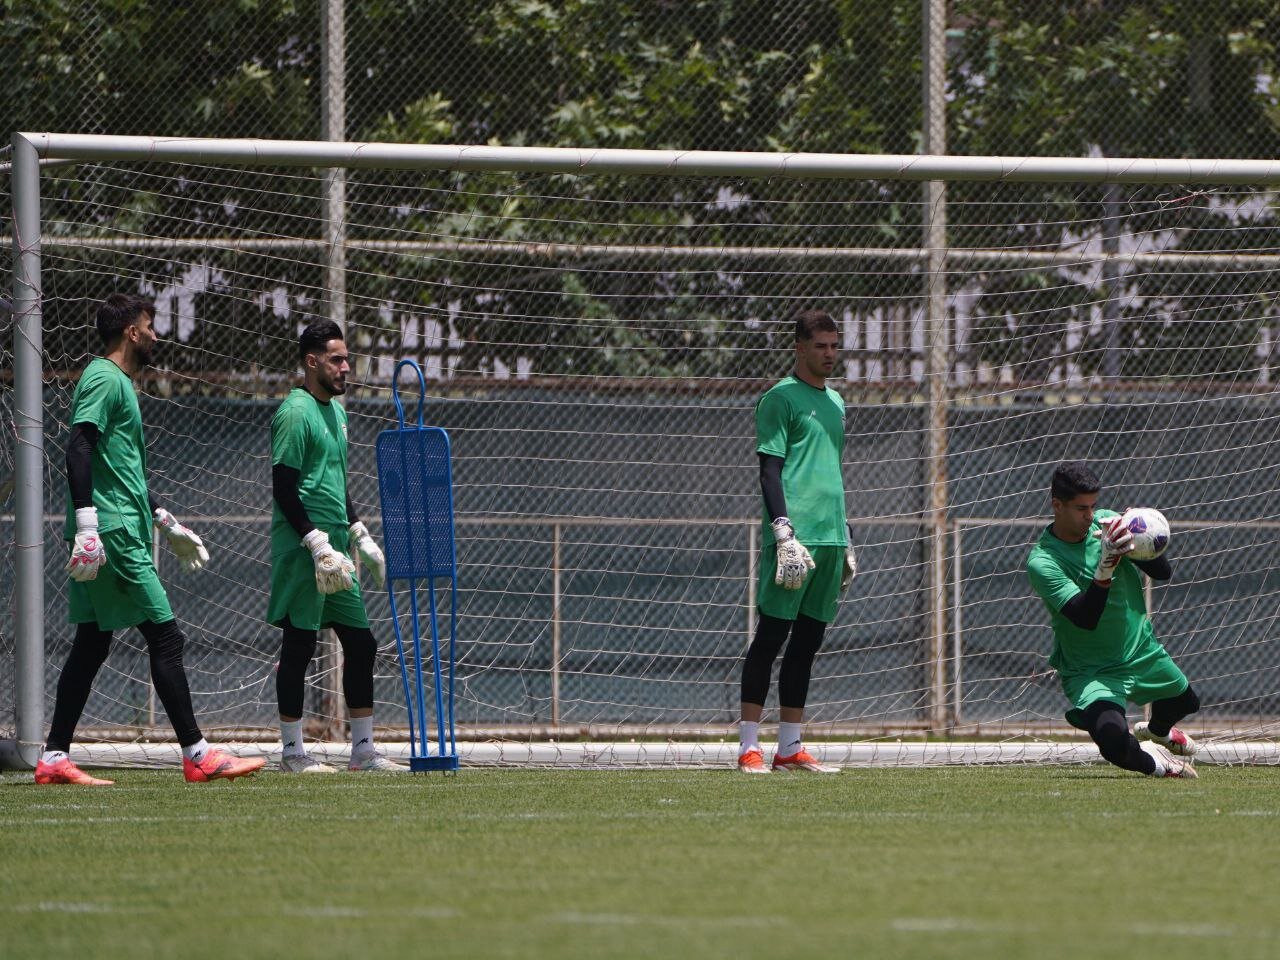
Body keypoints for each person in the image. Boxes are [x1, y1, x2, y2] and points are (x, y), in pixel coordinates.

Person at [36, 293, 266, 785]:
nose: (155, 335)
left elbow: (121, 468)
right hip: (113, 531)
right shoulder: (104, 377)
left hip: (116, 524)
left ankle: (54, 757)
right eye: (150, 326)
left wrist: (164, 520)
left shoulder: (115, 381)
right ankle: (198, 754)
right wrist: (89, 524)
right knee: (165, 635)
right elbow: (78, 448)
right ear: (131, 332)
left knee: (92, 643)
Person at [268, 320, 405, 773]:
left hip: (337, 551)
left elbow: (335, 482)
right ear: (312, 362)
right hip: (304, 548)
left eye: (347, 359)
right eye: (337, 359)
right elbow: (284, 486)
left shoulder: (338, 413)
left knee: (361, 644)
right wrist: (313, 540)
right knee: (300, 645)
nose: (347, 367)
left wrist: (359, 532)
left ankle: (362, 750)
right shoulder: (295, 412)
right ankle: (293, 754)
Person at [737, 310, 856, 774]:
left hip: (830, 538)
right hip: (795, 539)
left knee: (807, 643)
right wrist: (782, 530)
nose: (829, 354)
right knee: (770, 637)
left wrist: (846, 534)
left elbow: (831, 470)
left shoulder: (837, 402)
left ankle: (789, 747)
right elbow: (769, 471)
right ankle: (749, 747)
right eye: (820, 346)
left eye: (834, 345)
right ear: (800, 348)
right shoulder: (779, 398)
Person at [1027, 462, 1200, 779]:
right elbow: (1085, 617)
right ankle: (1162, 766)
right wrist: (1105, 565)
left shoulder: (1107, 524)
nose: (1090, 515)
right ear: (1057, 505)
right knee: (1112, 741)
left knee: (1186, 702)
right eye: (1081, 508)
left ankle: (1158, 732)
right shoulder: (1044, 560)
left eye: (1093, 506)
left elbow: (1163, 573)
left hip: (1141, 652)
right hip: (1093, 671)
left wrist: (1140, 538)